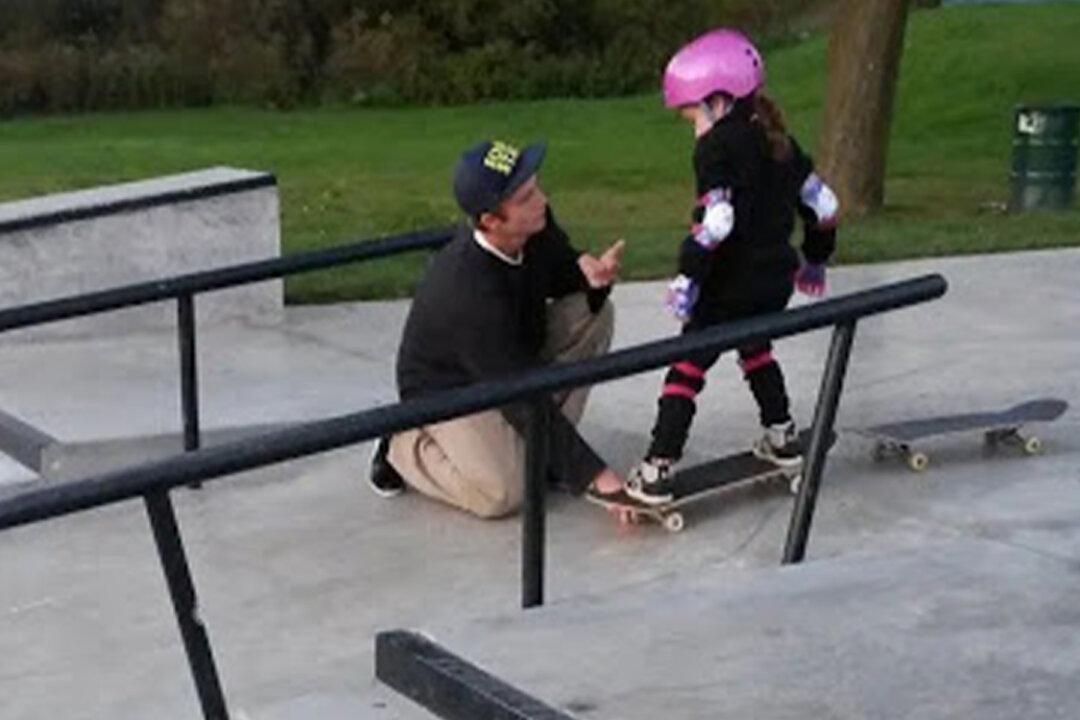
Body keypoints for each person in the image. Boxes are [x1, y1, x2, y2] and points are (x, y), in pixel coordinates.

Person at [625, 28, 840, 505]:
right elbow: (825, 205)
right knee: (756, 349)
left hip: (727, 284)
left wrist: (688, 277)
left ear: (718, 101)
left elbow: (718, 222)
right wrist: (816, 261)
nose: (694, 129)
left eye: (691, 116)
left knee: (686, 368)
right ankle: (782, 435)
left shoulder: (716, 147)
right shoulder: (780, 141)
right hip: (773, 281)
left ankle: (658, 468)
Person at [366, 139, 631, 518]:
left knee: (593, 314)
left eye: (536, 185)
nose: (540, 199)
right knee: (503, 494)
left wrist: (587, 273)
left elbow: (556, 270)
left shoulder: (535, 225)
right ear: (491, 221)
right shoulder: (466, 291)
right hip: (449, 389)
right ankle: (402, 445)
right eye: (525, 197)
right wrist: (599, 477)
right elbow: (519, 394)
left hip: (511, 357)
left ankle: (546, 457)